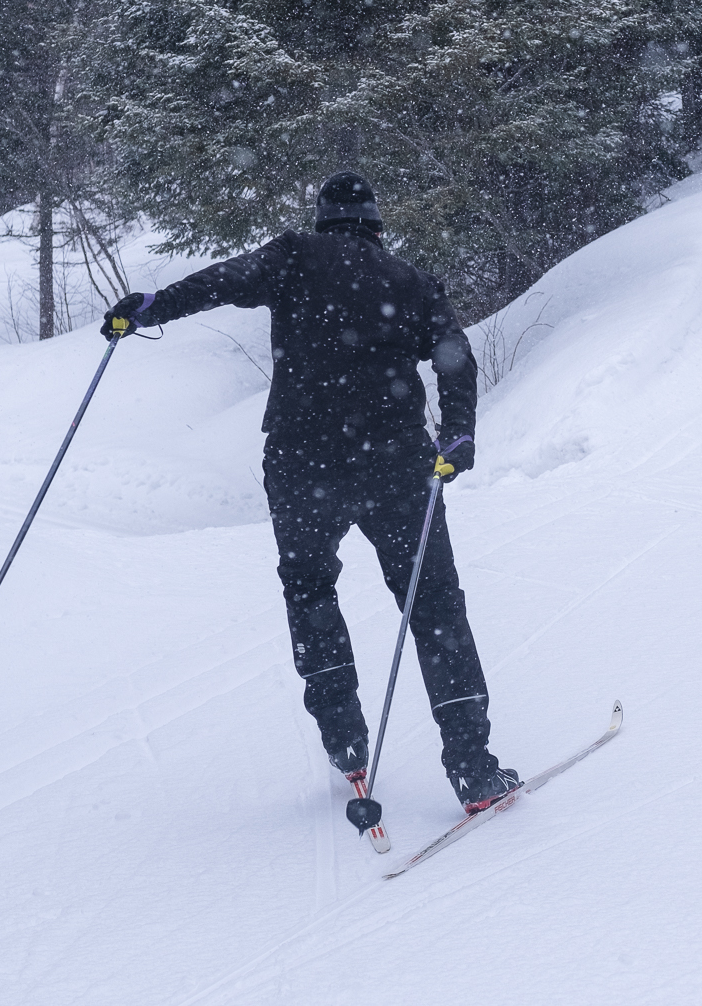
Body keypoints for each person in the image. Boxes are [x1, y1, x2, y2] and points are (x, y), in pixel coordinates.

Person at [102, 171, 519, 813]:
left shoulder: (292, 256)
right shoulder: (410, 281)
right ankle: (473, 767)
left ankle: (345, 743)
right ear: (378, 226)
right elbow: (453, 356)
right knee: (433, 604)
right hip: (396, 463)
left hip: (303, 461)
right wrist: (458, 434)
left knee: (309, 589)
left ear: (324, 219)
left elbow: (218, 282)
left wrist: (151, 304)